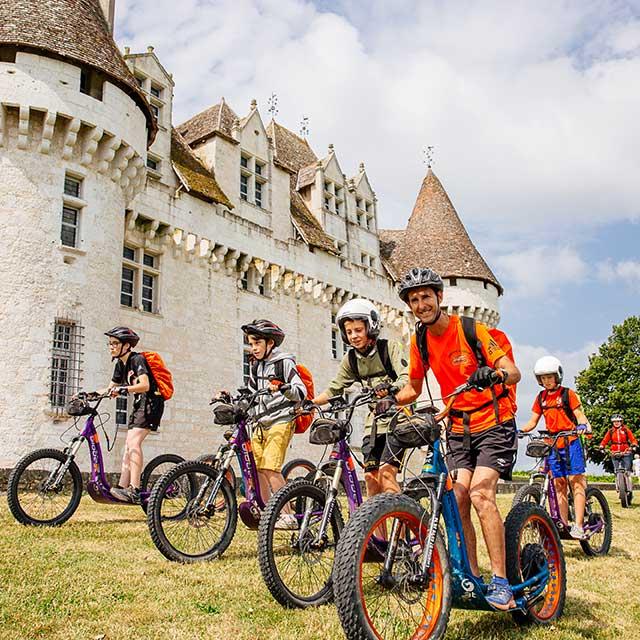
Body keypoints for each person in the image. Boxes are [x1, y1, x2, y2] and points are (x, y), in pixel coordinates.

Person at [390, 267, 521, 610]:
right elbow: (413, 389)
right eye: (414, 300)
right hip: (459, 429)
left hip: (494, 423)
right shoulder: (419, 341)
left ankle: (502, 581)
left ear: (439, 297)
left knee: (480, 495)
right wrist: (389, 397)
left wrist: (492, 372)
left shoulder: (471, 329)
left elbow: (513, 372)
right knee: (458, 497)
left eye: (425, 297)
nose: (421, 304)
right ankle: (472, 579)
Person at [312, 299, 409, 496]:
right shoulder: (351, 360)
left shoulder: (389, 348)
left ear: (370, 327)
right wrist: (310, 403)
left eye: (358, 330)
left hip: (397, 418)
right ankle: (373, 526)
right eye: (349, 332)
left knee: (387, 474)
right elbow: (335, 388)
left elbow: (406, 377)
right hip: (372, 423)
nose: (354, 336)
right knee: (371, 478)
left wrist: (390, 388)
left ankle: (402, 521)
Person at [239, 319, 307, 528]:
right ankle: (268, 513)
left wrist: (283, 387)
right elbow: (250, 393)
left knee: (271, 467)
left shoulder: (284, 363)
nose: (254, 348)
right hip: (260, 422)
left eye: (257, 343)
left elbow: (301, 391)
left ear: (270, 343)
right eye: (251, 343)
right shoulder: (255, 365)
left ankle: (287, 515)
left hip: (281, 419)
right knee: (257, 468)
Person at [520, 356, 592, 540]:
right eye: (542, 378)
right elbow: (532, 421)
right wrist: (520, 430)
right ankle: (563, 523)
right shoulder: (541, 398)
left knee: (576, 481)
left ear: (557, 376)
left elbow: (579, 415)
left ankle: (578, 525)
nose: (546, 381)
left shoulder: (568, 394)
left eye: (549, 377)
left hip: (571, 441)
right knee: (559, 484)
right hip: (552, 443)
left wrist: (582, 425)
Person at [104, 327, 165, 504]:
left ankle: (135, 489)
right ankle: (123, 488)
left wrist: (123, 389)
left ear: (126, 345)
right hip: (139, 404)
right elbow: (110, 389)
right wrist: (89, 394)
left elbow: (145, 385)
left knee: (134, 443)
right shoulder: (120, 365)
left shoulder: (137, 359)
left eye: (115, 343)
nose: (111, 347)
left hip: (151, 403)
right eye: (110, 344)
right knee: (127, 446)